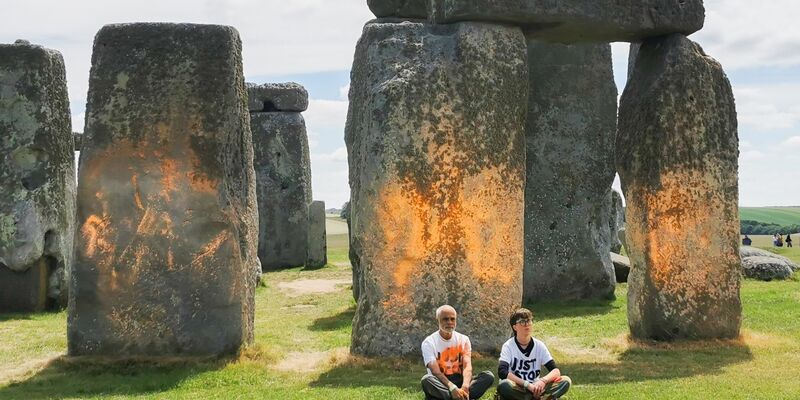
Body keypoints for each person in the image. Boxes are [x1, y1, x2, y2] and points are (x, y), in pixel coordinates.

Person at [421, 305, 495, 400]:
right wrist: (452, 388)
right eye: (445, 319)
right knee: (426, 380)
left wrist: (465, 386)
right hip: (441, 382)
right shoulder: (429, 342)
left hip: (460, 380)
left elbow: (467, 367)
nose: (449, 322)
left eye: (452, 319)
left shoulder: (464, 339)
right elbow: (435, 372)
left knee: (488, 376)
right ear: (438, 320)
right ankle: (460, 397)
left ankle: (456, 396)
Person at [496, 308, 571, 400]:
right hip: (518, 387)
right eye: (522, 322)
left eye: (529, 320)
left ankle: (535, 397)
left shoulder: (539, 345)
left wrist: (542, 381)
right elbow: (502, 372)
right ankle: (537, 398)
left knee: (565, 381)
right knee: (504, 385)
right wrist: (527, 385)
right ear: (515, 327)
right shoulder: (508, 346)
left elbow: (555, 371)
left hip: (536, 387)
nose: (527, 324)